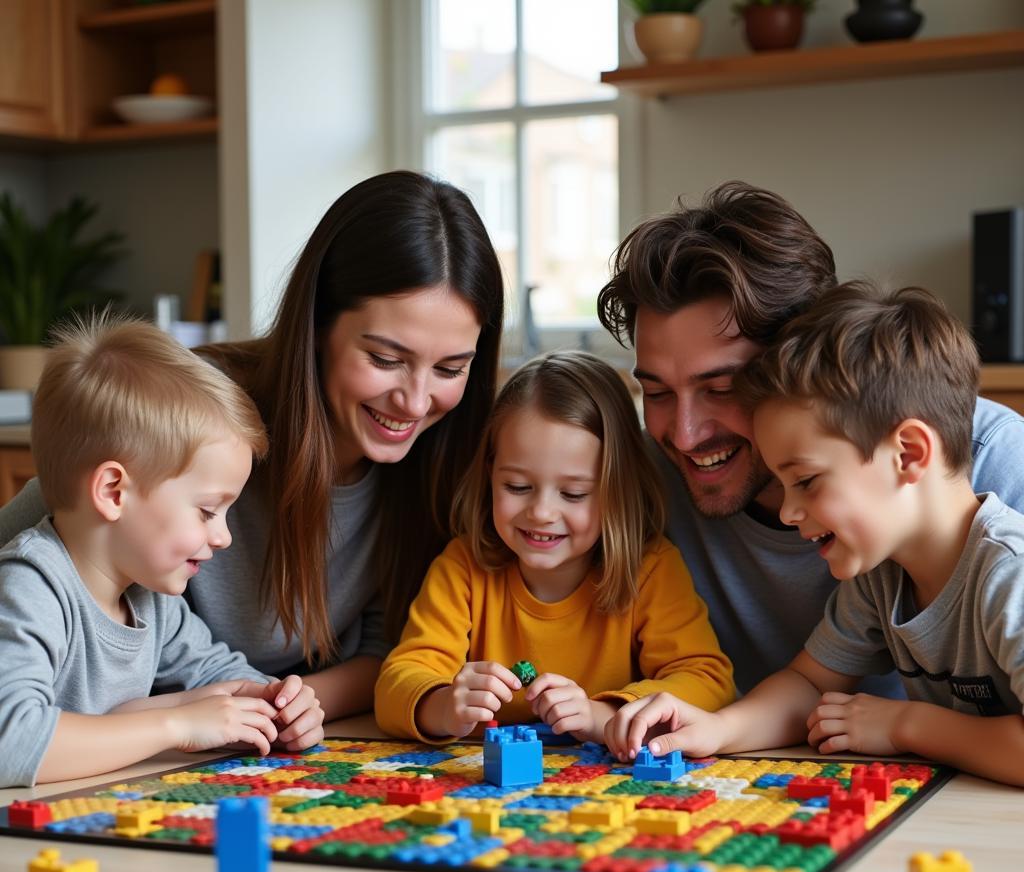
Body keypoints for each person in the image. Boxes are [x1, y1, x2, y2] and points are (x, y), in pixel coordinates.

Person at [0, 171, 505, 722]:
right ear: (317, 325)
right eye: (385, 360)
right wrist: (208, 714)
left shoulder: (445, 459)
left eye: (451, 368)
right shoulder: (202, 414)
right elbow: (44, 530)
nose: (414, 402)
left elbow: (392, 655)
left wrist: (282, 706)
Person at [596, 181, 1024, 700]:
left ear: (798, 365)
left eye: (722, 388)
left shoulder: (991, 463)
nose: (685, 435)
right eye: (657, 392)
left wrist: (912, 727)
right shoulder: (642, 479)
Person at [606, 283, 1024, 787]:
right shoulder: (883, 575)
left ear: (908, 454)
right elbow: (808, 681)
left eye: (805, 482)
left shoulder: (1010, 574)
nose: (787, 511)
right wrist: (718, 728)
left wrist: (906, 725)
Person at [0, 316, 324, 787]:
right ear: (114, 491)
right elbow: (10, 740)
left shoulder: (151, 598)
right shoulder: (31, 586)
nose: (224, 537)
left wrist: (276, 703)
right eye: (208, 510)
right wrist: (178, 724)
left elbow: (219, 672)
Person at [375, 350, 734, 744]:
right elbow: (398, 681)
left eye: (574, 493)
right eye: (517, 487)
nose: (542, 512)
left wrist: (601, 714)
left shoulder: (649, 570)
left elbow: (707, 680)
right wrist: (442, 705)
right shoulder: (463, 567)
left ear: (618, 492)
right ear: (489, 475)